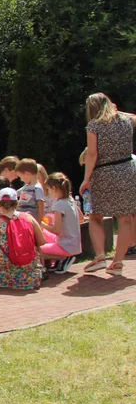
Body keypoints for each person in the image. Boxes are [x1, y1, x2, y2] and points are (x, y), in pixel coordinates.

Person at [80, 92, 136, 276]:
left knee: (95, 216)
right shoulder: (126, 120)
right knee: (125, 218)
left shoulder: (94, 125)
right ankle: (118, 262)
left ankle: (100, 256)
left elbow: (92, 154)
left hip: (103, 172)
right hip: (126, 171)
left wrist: (86, 180)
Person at [0, 188, 46, 290]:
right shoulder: (29, 218)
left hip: (4, 277)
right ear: (17, 202)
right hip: (31, 275)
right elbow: (41, 241)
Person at [40, 173, 81, 273]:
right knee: (43, 235)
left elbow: (56, 230)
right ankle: (58, 261)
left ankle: (63, 258)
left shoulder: (59, 205)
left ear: (54, 188)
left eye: (49, 189)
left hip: (66, 246)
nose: (48, 192)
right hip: (73, 243)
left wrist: (41, 224)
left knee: (35, 250)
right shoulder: (70, 200)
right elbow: (81, 218)